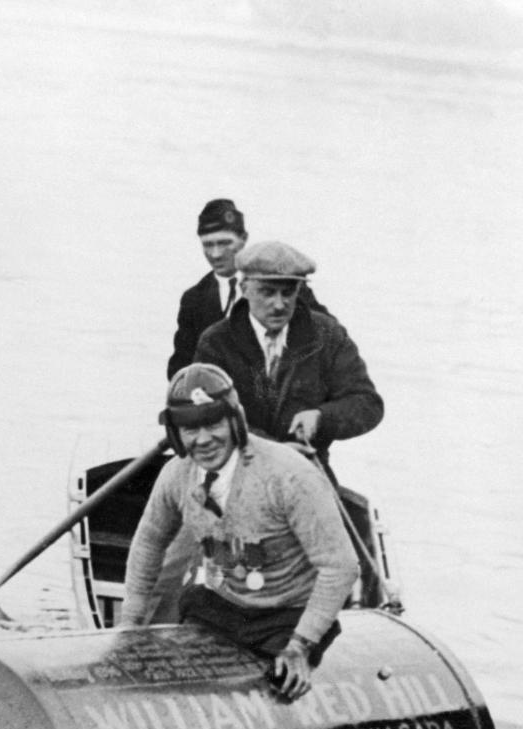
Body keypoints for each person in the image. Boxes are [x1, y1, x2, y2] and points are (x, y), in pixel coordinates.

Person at [121, 363, 359, 700]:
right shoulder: (176, 475)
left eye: (213, 424)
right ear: (176, 434)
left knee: (280, 690)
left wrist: (300, 645)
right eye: (190, 429)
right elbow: (149, 542)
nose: (203, 440)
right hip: (221, 606)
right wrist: (130, 623)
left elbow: (341, 566)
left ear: (236, 421)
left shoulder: (288, 476)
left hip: (286, 616)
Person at [193, 240, 382, 461]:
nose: (279, 304)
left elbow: (367, 404)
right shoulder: (216, 342)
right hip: (238, 465)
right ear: (244, 289)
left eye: (288, 292)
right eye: (267, 292)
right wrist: (274, 451)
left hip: (307, 467)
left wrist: (322, 417)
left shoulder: (327, 334)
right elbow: (205, 415)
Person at [167, 200, 329, 379]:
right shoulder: (193, 299)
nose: (216, 254)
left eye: (224, 243)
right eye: (208, 245)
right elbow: (180, 367)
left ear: (244, 239)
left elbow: (328, 339)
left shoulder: (285, 286)